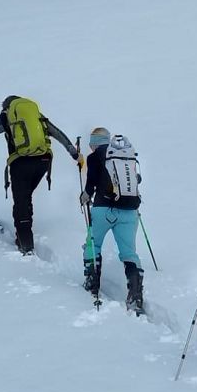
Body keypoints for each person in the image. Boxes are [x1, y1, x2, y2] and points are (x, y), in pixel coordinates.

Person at [0, 95, 79, 255]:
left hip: (21, 163)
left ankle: (25, 244)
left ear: (6, 107)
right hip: (43, 161)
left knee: (21, 201)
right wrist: (74, 153)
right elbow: (57, 133)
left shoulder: (5, 117)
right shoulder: (36, 115)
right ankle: (23, 234)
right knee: (25, 197)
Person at [81, 127, 145, 313]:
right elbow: (137, 179)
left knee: (93, 244)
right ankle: (135, 294)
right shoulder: (125, 156)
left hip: (103, 209)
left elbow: (91, 182)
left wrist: (85, 196)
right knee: (129, 253)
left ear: (94, 143)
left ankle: (92, 283)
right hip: (130, 211)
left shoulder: (94, 157)